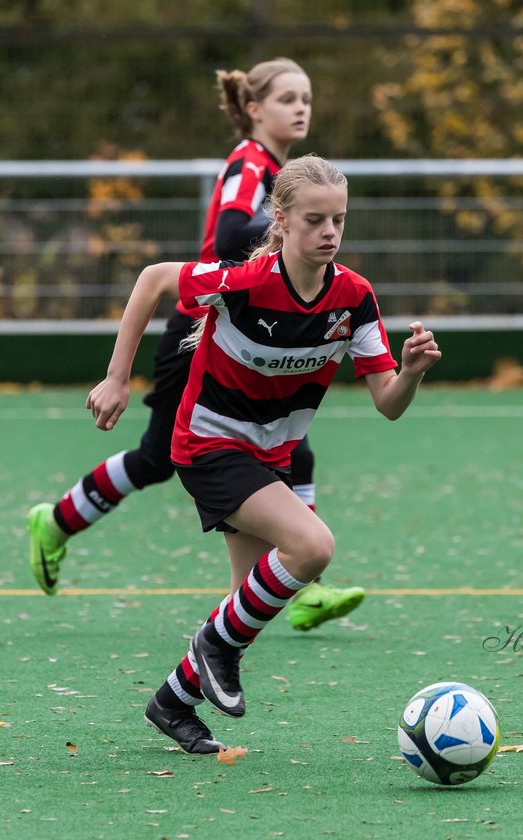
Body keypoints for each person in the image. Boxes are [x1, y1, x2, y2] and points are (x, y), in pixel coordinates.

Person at [86, 155, 442, 754]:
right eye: (314, 220)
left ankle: (172, 702)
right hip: (207, 445)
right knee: (312, 546)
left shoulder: (353, 298)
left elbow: (388, 403)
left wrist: (410, 373)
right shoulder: (245, 283)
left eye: (339, 220)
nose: (329, 232)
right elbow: (153, 278)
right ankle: (214, 647)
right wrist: (117, 377)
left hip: (268, 457)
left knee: (243, 603)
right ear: (281, 220)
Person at [27, 58, 366, 631]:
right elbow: (235, 232)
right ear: (254, 110)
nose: (301, 107)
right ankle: (57, 520)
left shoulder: (281, 173)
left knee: (283, 443)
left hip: (237, 327)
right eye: (287, 99)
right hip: (203, 329)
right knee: (165, 457)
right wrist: (275, 250)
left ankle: (298, 583)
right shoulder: (249, 163)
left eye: (306, 97)